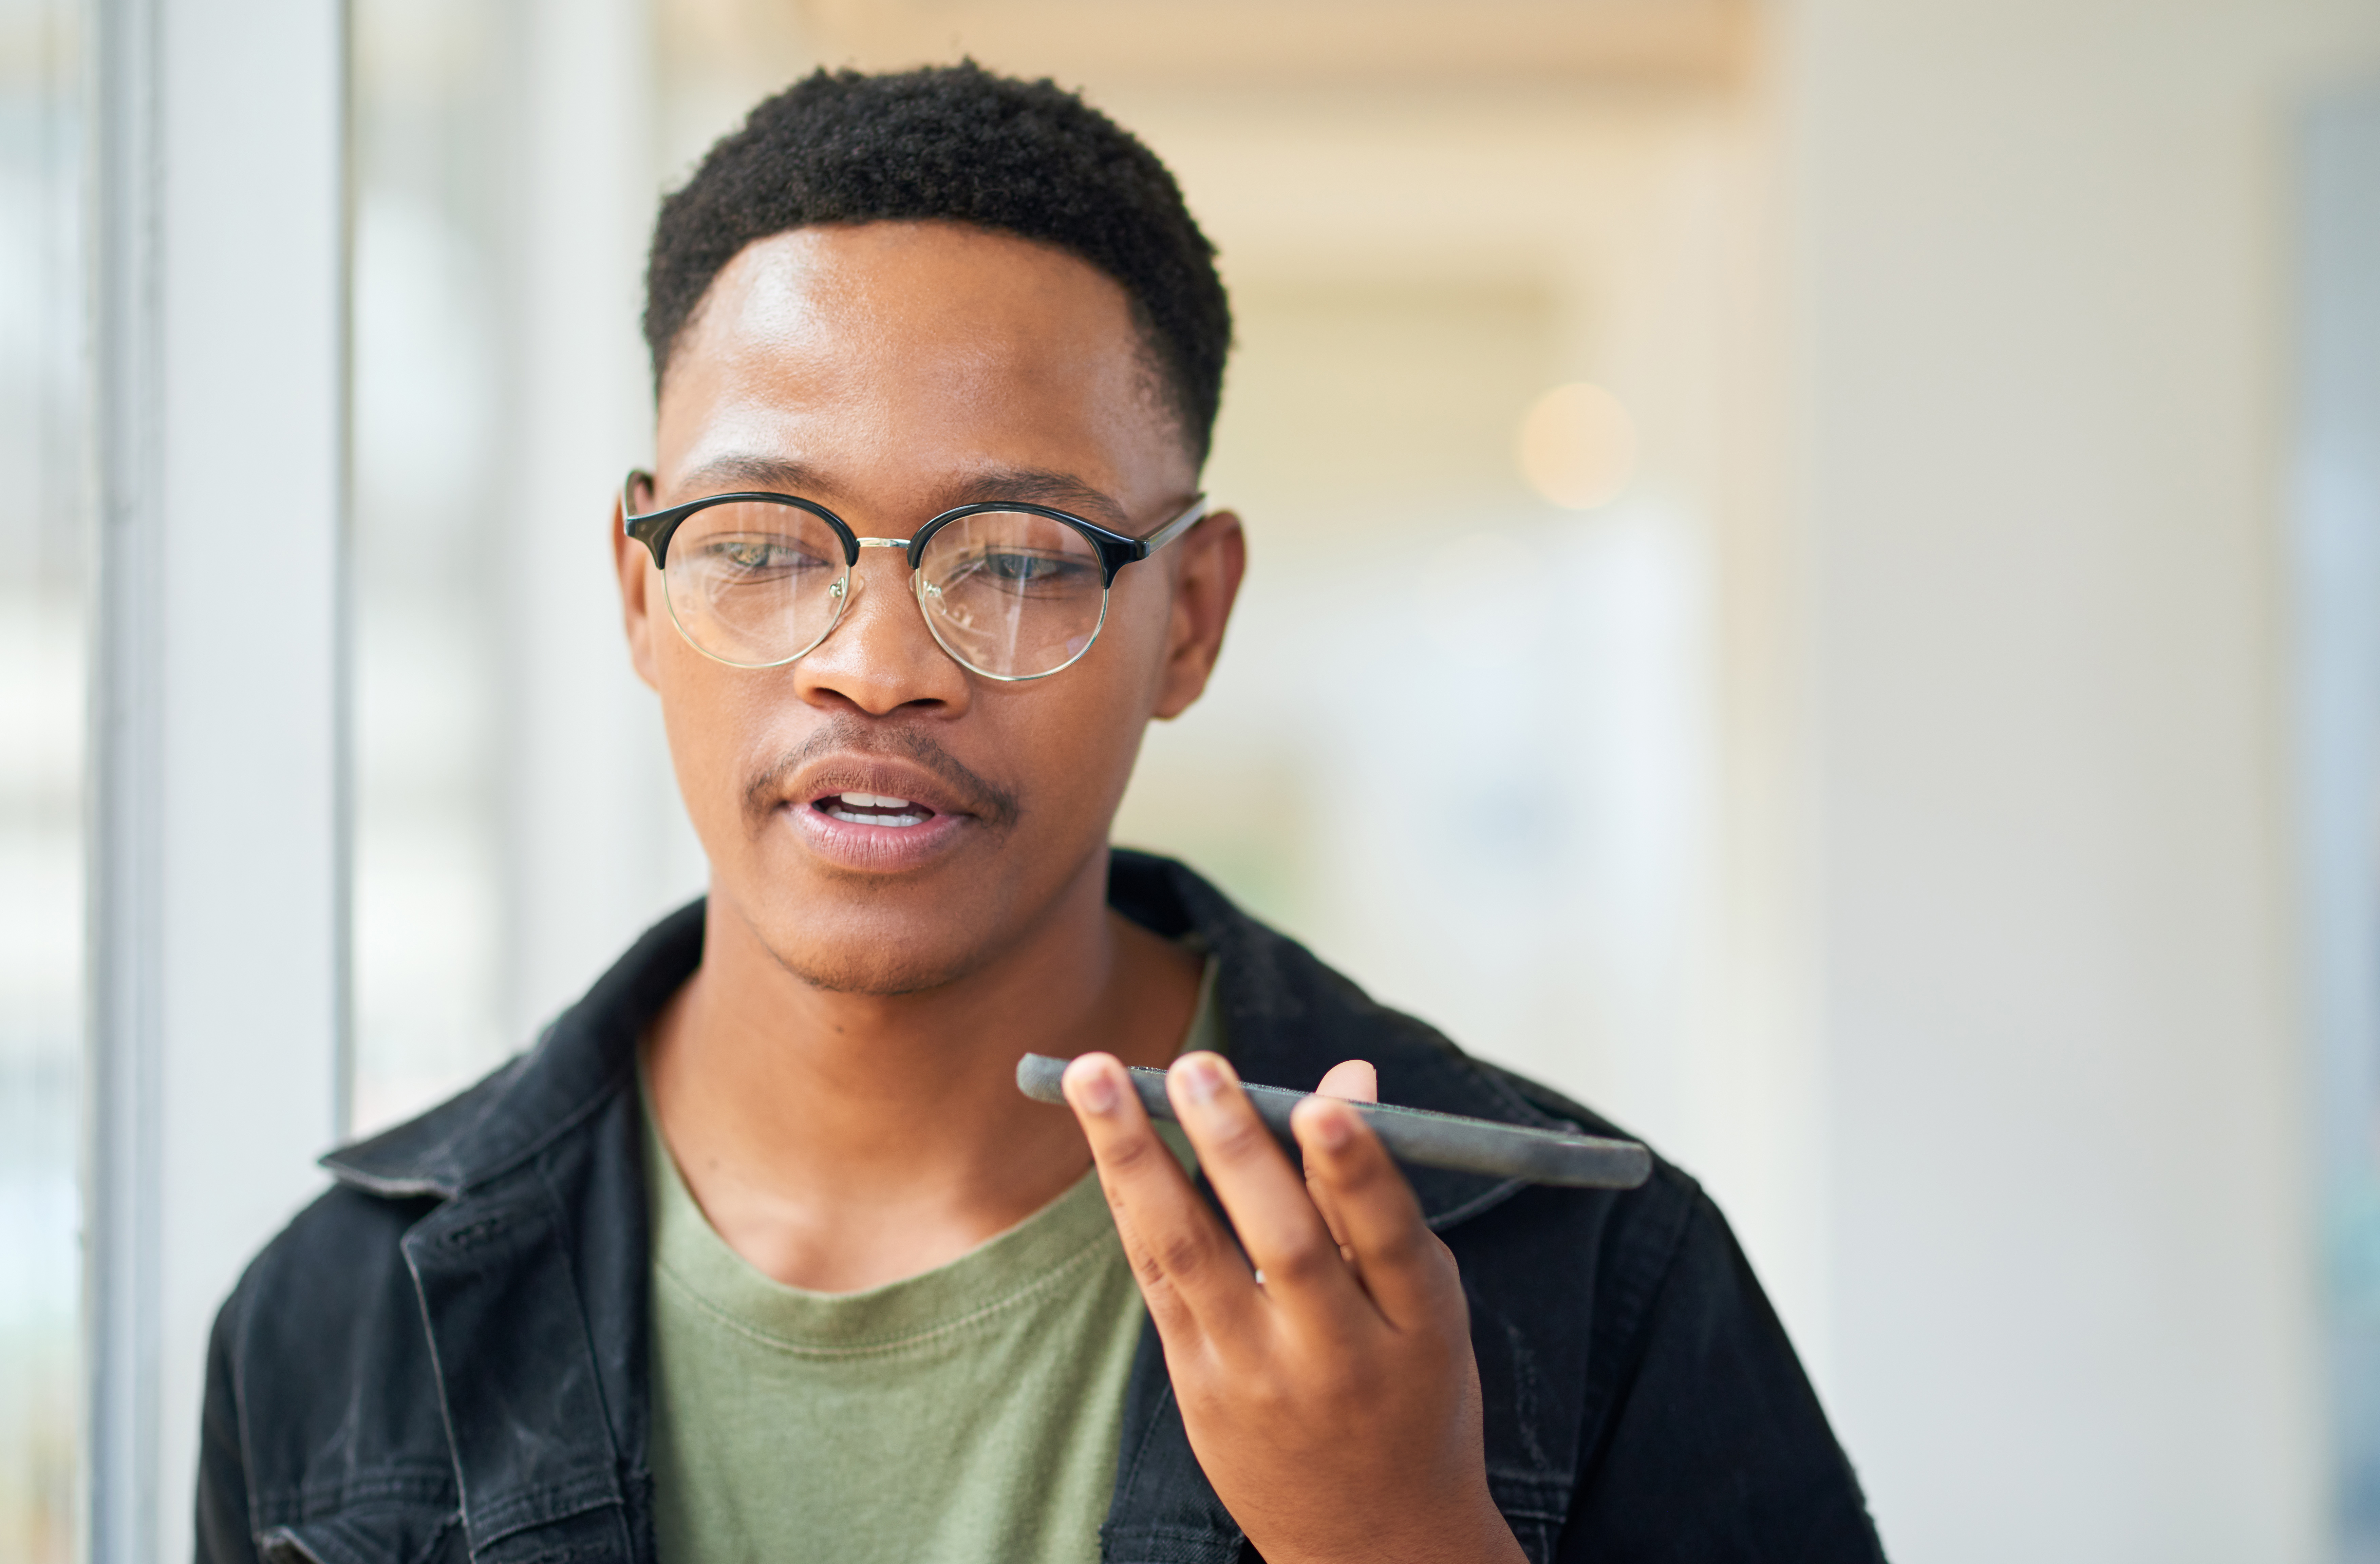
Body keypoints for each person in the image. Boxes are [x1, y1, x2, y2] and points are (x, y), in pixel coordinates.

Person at [198, 63, 1884, 1564]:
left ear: (1193, 619)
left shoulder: (1583, 1277)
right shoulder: (337, 1328)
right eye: (763, 543)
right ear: (638, 592)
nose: (874, 667)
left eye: (1012, 558)